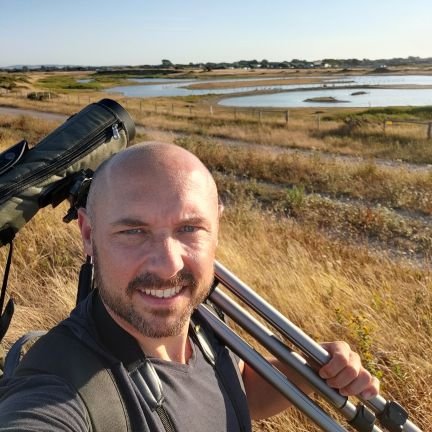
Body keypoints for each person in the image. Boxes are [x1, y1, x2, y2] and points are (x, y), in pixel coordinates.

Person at [0, 142, 379, 431]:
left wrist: (309, 370)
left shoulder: (205, 316)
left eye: (189, 229)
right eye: (133, 231)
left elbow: (233, 394)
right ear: (87, 233)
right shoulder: (58, 390)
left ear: (217, 225)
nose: (168, 265)